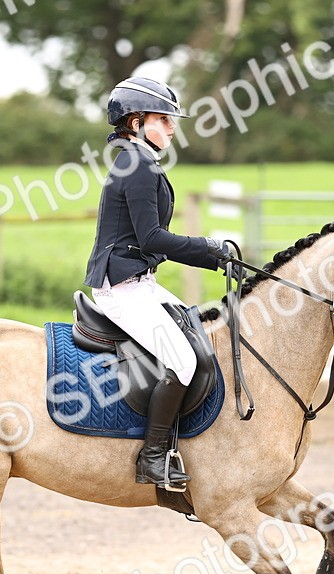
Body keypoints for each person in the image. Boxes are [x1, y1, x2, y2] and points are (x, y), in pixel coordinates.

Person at [83, 77, 232, 490]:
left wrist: (215, 256)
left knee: (201, 335)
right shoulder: (136, 166)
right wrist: (210, 249)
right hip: (121, 288)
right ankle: (152, 457)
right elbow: (151, 238)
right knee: (182, 361)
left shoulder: (140, 161)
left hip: (140, 282)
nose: (171, 127)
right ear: (136, 123)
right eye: (163, 119)